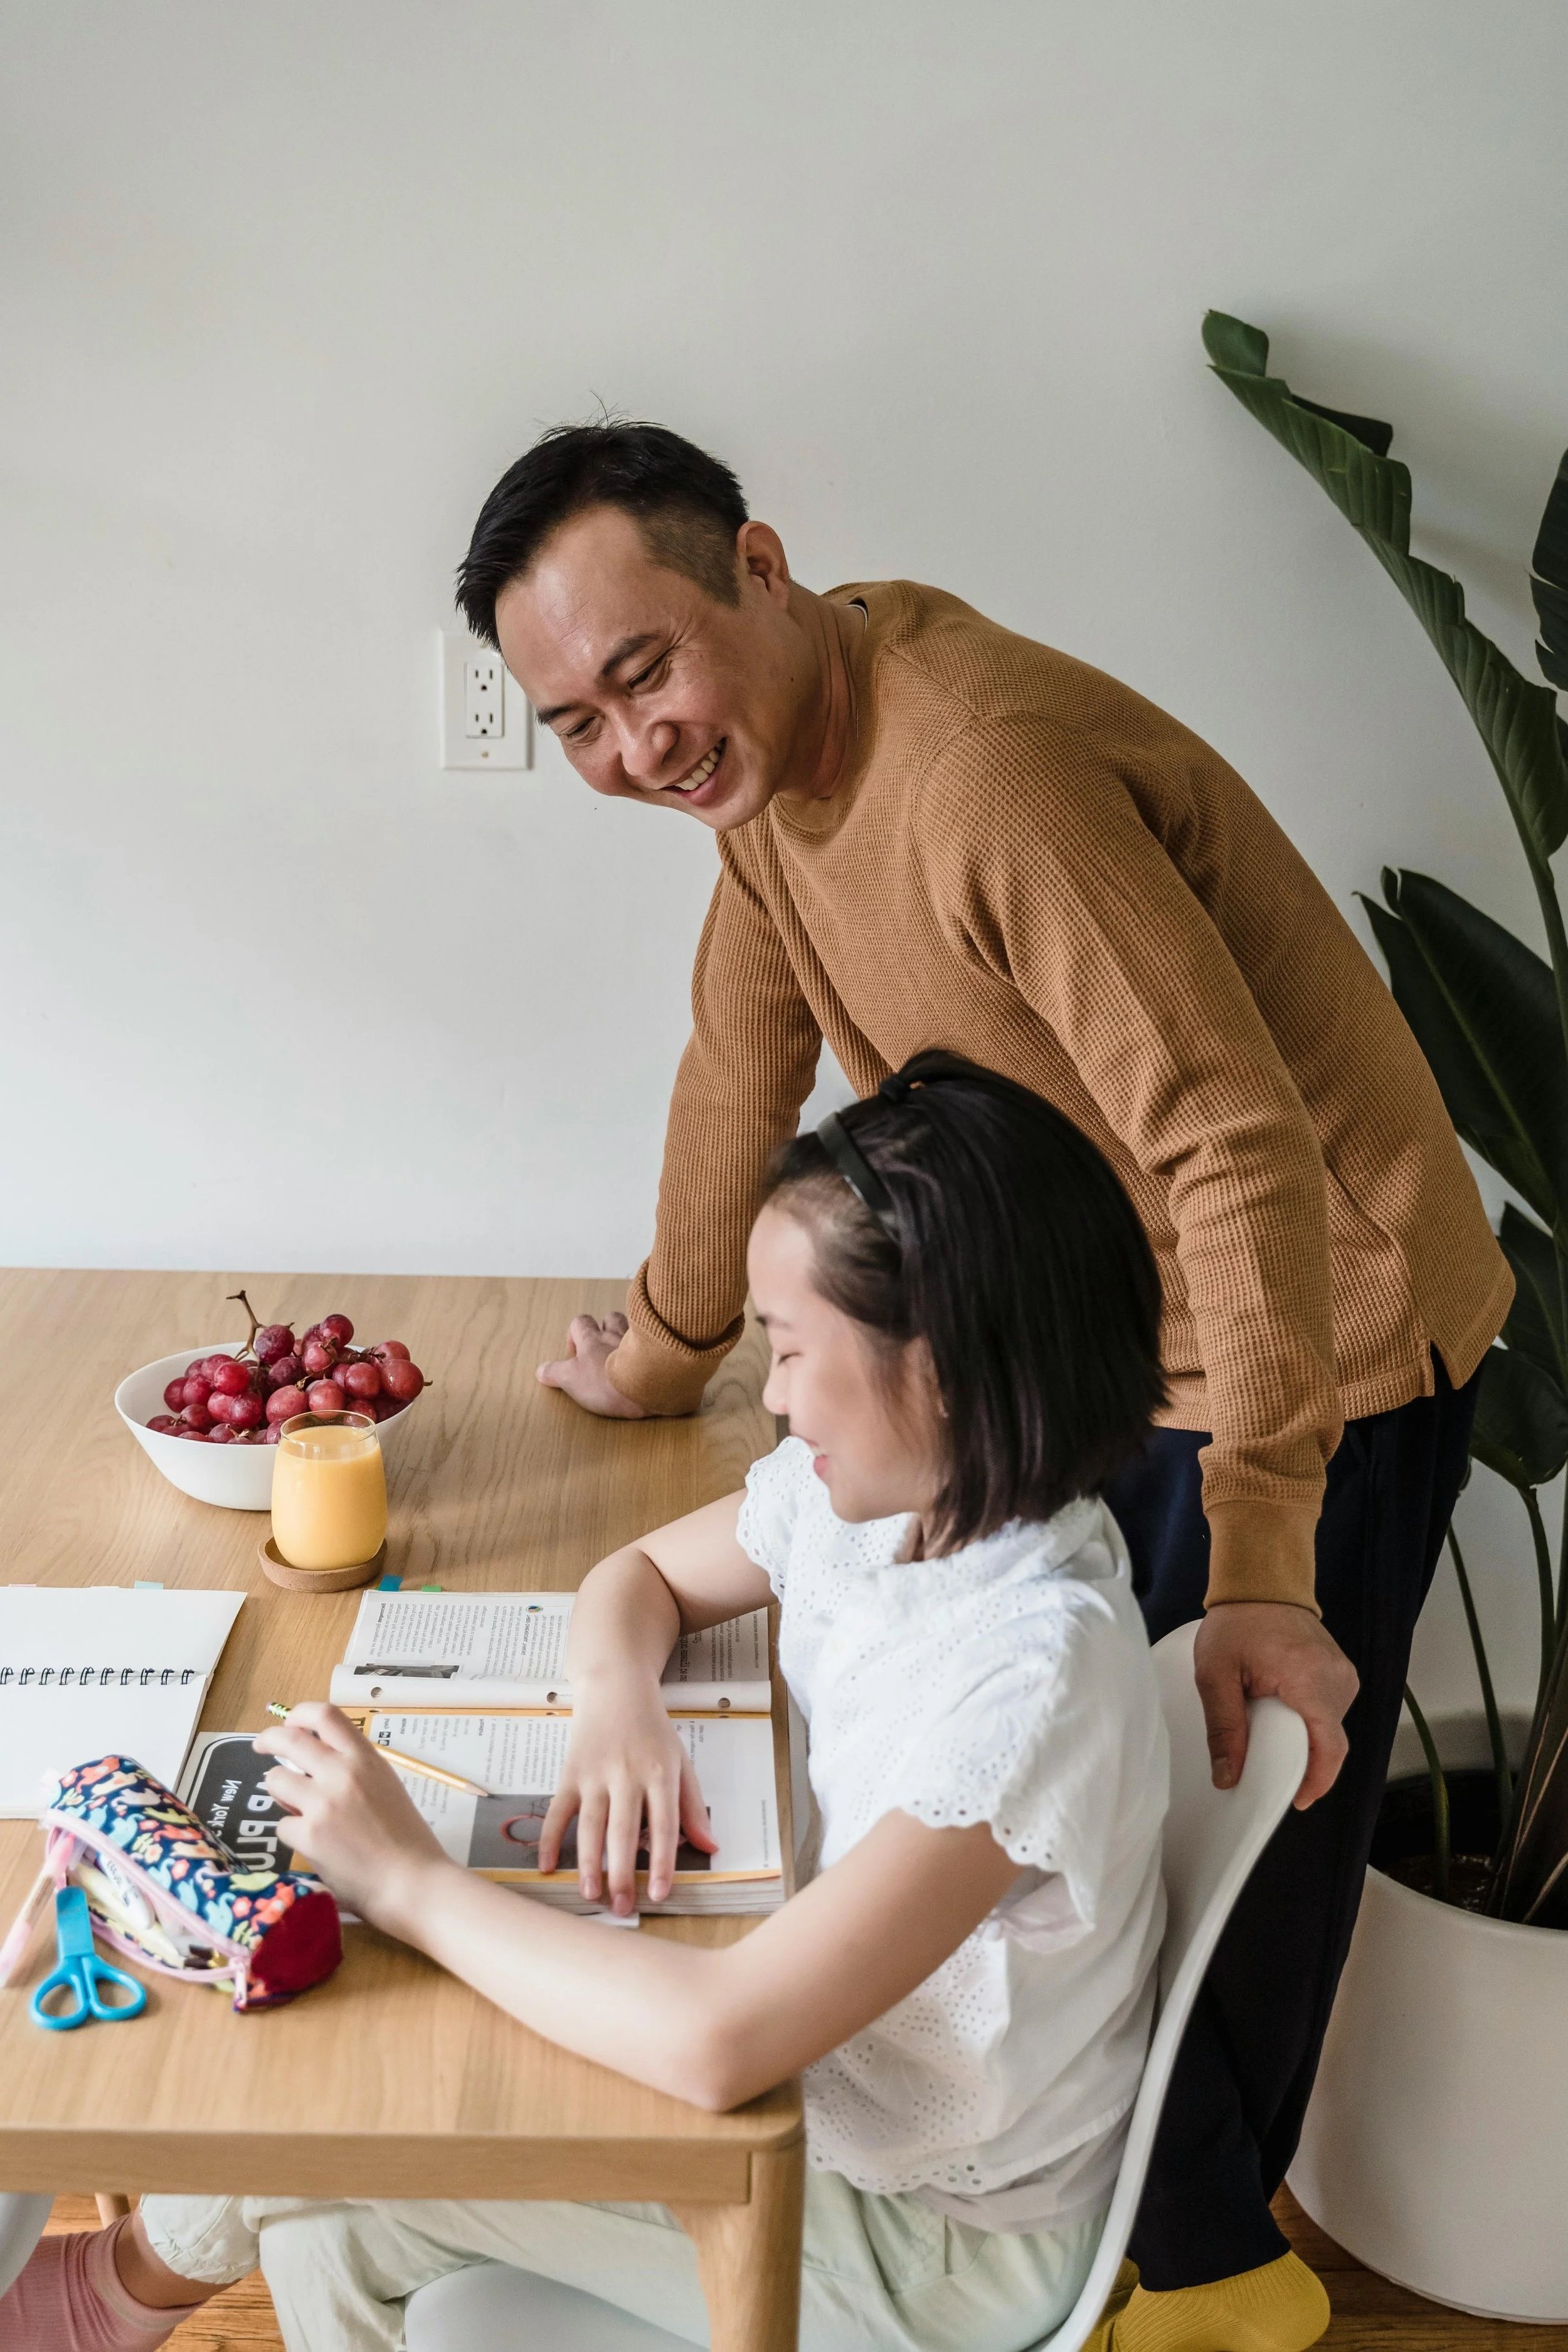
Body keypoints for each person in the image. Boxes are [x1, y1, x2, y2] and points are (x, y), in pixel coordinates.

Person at [452, 420, 1508, 2348]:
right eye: (576, 721)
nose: (632, 742)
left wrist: (1261, 1544)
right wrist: (672, 1344)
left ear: (758, 568)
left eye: (644, 670)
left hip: (1309, 1329)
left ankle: (1209, 2278)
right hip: (1088, 1328)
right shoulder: (766, 776)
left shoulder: (980, 775)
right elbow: (739, 1061)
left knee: (1216, 1846)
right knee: (1080, 1824)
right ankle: (1094, 2240)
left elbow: (1232, 1145)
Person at [5, 1054, 1180, 2352]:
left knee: (350, 2156)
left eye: (791, 1350)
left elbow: (721, 2040)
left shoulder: (1031, 1680)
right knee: (332, 2206)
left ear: (942, 1362)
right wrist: (621, 1705)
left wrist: (406, 1881)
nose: (773, 1394)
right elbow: (639, 1576)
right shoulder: (892, 1504)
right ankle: (114, 2292)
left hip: (932, 2242)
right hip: (831, 2084)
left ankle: (108, 2293)